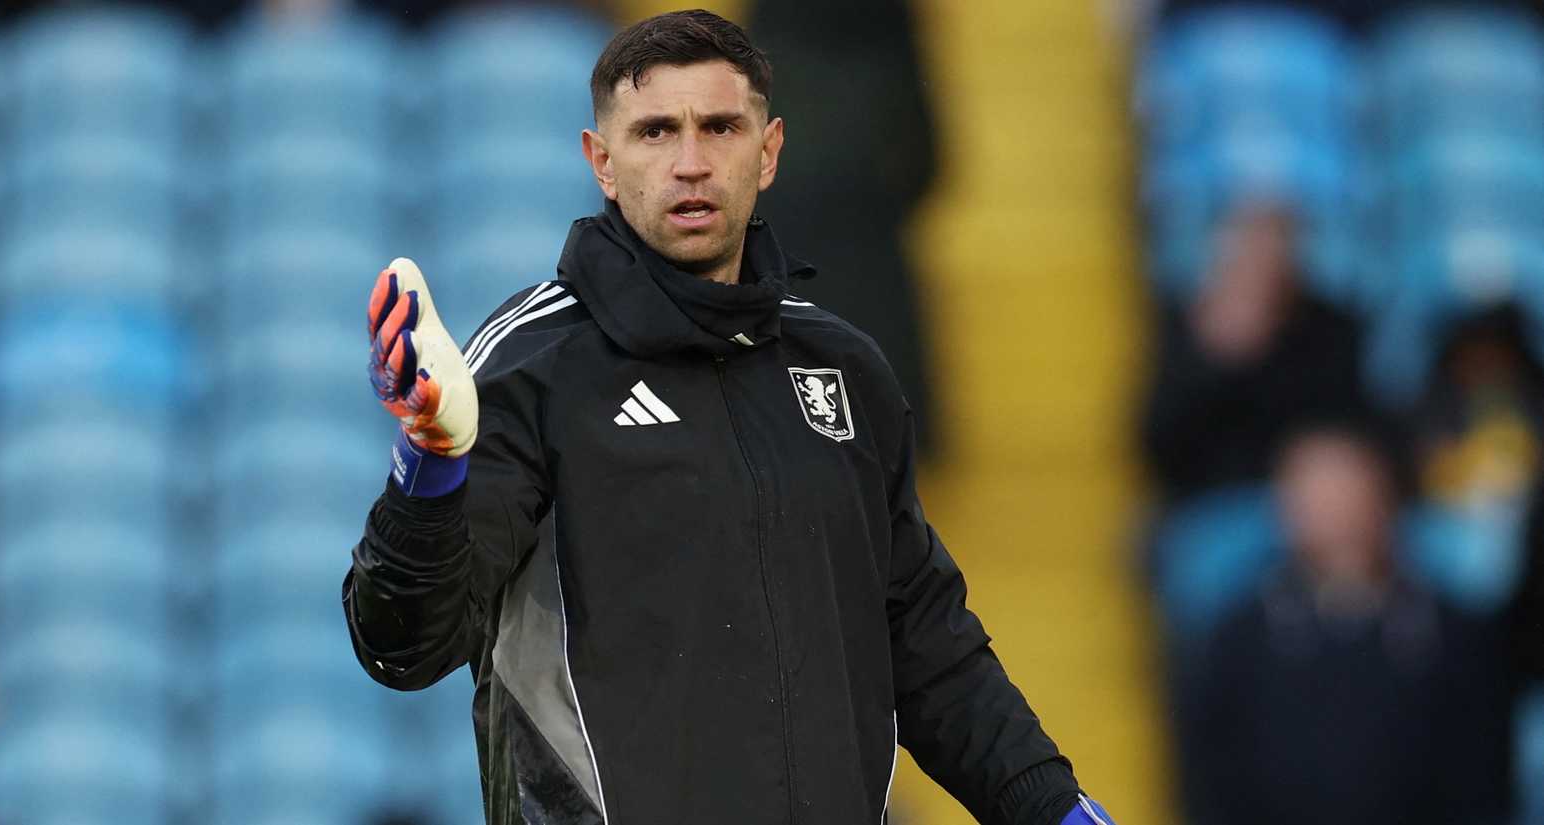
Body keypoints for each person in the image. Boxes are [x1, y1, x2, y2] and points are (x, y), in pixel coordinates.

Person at [341, 10, 1116, 825]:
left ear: (769, 151)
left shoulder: (845, 371)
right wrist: (427, 468)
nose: (690, 163)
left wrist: (1052, 806)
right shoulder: (535, 367)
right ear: (600, 162)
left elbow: (926, 647)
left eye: (719, 128)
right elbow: (402, 644)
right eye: (654, 133)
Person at [1188, 421, 1512, 825]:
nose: (1330, 503)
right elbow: (1211, 783)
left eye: (1344, 481)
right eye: (1310, 485)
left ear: (1384, 491)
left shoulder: (1451, 636)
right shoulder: (1238, 638)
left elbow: (1481, 783)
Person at [1140, 204, 1368, 503]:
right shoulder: (1184, 323)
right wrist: (1215, 360)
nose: (1264, 251)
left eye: (1277, 235)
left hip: (1313, 502)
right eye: (1251, 234)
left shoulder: (1334, 328)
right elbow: (1158, 446)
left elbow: (1342, 433)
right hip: (1212, 503)